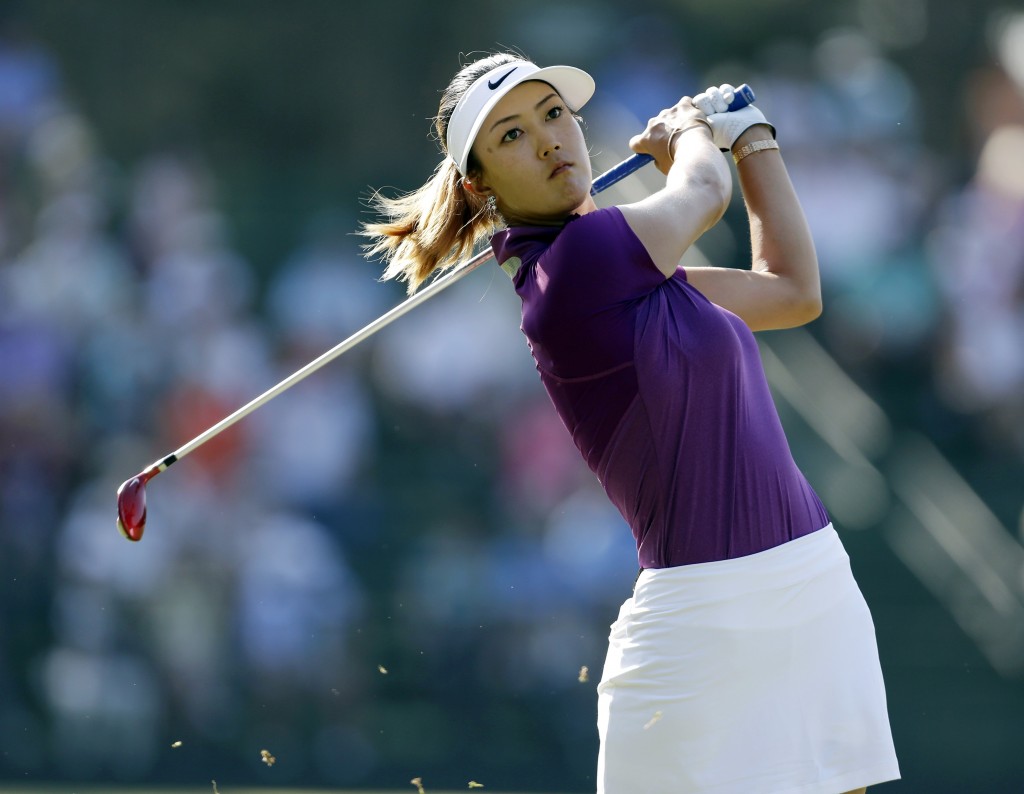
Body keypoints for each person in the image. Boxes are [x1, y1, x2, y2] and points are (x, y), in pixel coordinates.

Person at [361, 51, 900, 794]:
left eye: (554, 115)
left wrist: (752, 137)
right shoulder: (576, 268)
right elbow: (703, 191)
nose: (550, 141)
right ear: (477, 184)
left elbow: (791, 291)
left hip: (810, 583)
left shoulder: (632, 275)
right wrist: (689, 135)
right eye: (513, 135)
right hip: (699, 626)